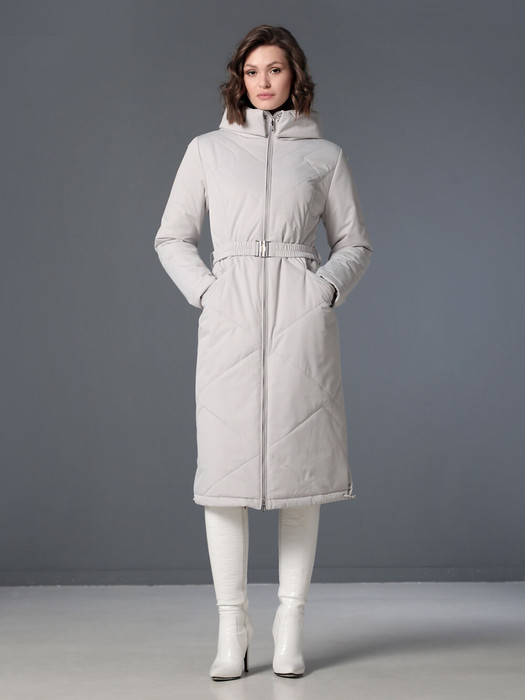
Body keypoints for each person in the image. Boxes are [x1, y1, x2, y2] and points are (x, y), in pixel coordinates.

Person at [154, 24, 373, 681]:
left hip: (300, 327)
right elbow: (171, 237)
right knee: (223, 482)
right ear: (239, 79)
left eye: (275, 69)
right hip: (231, 323)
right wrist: (208, 293)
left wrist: (323, 290)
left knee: (301, 479)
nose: (264, 81)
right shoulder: (207, 150)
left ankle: (289, 625)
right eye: (252, 71)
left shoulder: (325, 156)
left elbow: (355, 243)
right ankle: (232, 628)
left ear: (294, 75)